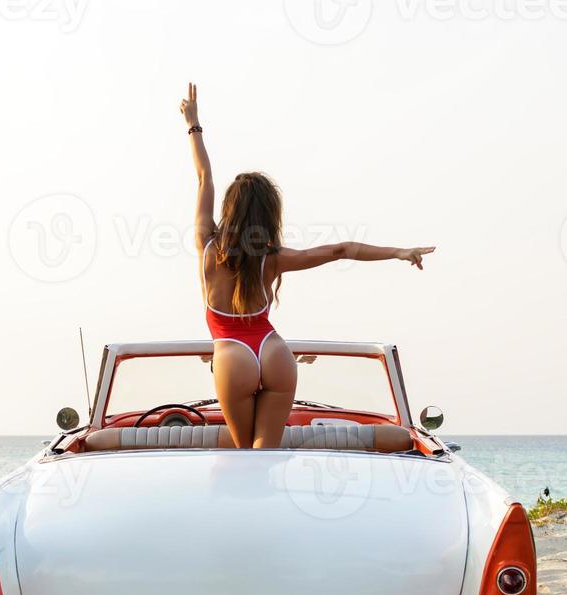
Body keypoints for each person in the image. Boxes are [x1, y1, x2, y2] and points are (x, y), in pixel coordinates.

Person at [181, 82, 436, 449]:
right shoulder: (273, 259)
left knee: (245, 457)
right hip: (274, 353)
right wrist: (399, 252)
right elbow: (342, 249)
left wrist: (193, 123)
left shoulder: (207, 244)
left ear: (229, 209)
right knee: (265, 453)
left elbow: (204, 176)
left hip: (231, 355)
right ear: (269, 215)